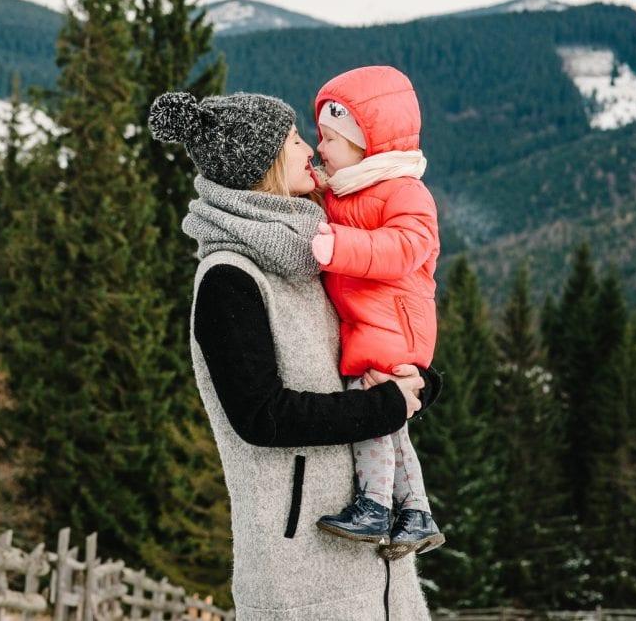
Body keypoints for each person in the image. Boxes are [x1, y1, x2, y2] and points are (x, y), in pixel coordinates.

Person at [148, 89, 439, 621]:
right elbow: (262, 416)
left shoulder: (311, 257)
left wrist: (415, 382)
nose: (310, 148)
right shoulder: (229, 279)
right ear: (264, 163)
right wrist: (386, 407)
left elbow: (362, 346)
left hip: (384, 582)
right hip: (301, 577)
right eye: (294, 139)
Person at [307, 65, 445, 558]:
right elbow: (333, 203)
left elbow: (406, 248)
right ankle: (416, 512)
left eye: (330, 138)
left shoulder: (406, 192)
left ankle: (374, 506)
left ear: (366, 142)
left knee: (372, 410)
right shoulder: (354, 189)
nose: (319, 147)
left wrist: (336, 245)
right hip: (377, 323)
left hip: (394, 328)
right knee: (394, 422)